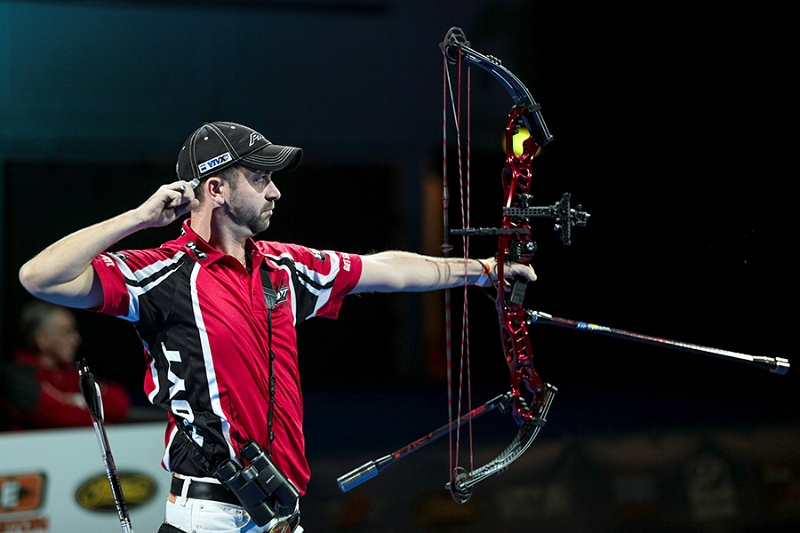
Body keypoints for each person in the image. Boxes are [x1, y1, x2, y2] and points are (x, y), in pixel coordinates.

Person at [18, 121, 537, 533]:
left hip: (278, 512)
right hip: (211, 516)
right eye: (260, 179)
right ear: (216, 188)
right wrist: (137, 218)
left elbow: (387, 269)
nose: (276, 192)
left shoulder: (283, 268)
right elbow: (39, 276)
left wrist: (484, 270)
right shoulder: (162, 274)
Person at [1, 301, 130, 429]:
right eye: (67, 332)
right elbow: (57, 417)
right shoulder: (15, 378)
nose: (76, 340)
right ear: (42, 338)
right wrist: (90, 411)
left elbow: (120, 403)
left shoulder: (76, 374)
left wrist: (73, 405)